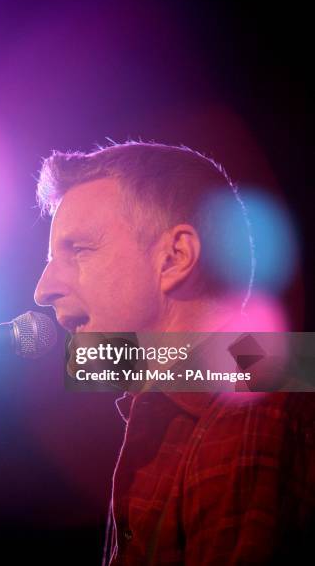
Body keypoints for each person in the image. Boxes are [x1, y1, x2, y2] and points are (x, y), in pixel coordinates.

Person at [33, 142, 314, 565]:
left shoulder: (253, 397)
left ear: (175, 257)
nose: (43, 290)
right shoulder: (197, 405)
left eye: (79, 250)